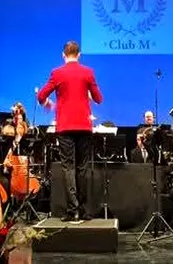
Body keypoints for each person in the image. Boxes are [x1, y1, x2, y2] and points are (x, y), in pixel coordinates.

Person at [36, 40, 103, 223]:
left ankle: (72, 210)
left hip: (65, 127)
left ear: (63, 55)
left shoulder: (57, 73)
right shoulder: (88, 72)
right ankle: (84, 210)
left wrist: (47, 103)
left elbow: (41, 96)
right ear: (79, 55)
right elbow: (98, 98)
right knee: (82, 167)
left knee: (68, 167)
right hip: (84, 126)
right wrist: (87, 94)